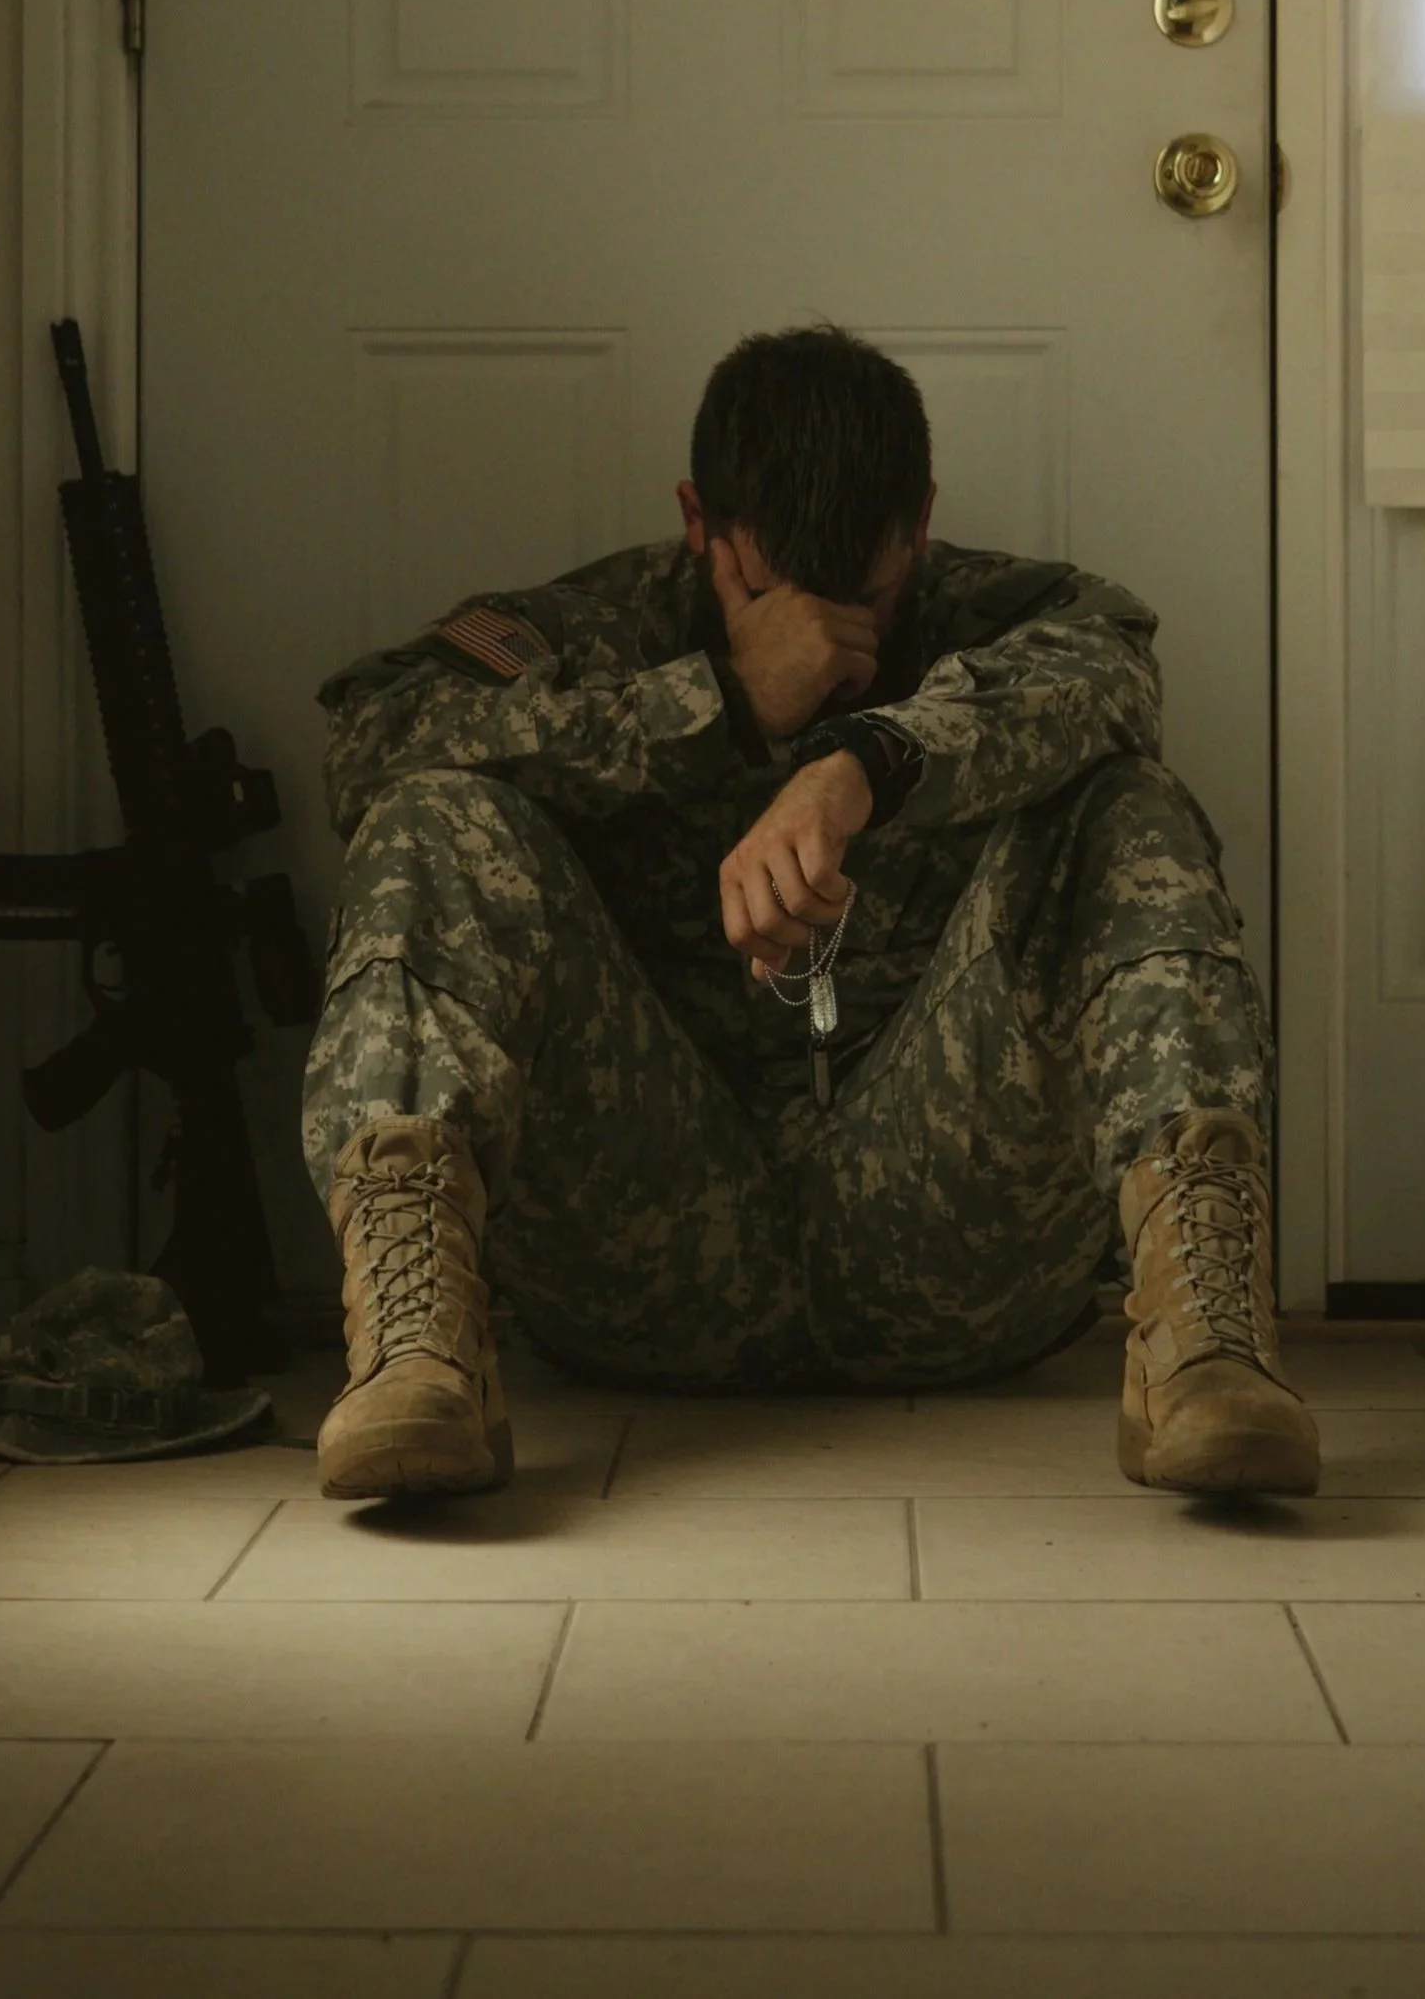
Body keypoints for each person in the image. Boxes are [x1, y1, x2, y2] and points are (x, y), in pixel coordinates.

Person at [300, 325, 1318, 1501]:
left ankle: (1208, 1353)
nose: (838, 643)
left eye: (869, 596)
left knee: (1125, 802)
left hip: (949, 1228)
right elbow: (367, 740)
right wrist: (717, 700)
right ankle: (418, 1356)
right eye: (781, 587)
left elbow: (1110, 683)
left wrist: (863, 761)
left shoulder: (1011, 612)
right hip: (648, 1234)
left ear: (920, 519)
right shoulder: (599, 627)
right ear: (700, 520)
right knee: (430, 816)